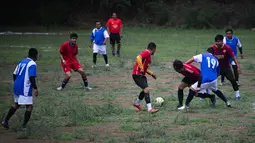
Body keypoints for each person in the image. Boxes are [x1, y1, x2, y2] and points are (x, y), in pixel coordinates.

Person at [1, 48, 39, 130]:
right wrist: (35, 88)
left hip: (17, 86)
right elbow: (32, 77)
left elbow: (14, 74)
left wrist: (17, 82)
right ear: (35, 55)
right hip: (24, 88)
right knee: (29, 106)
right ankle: (23, 126)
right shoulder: (32, 64)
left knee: (17, 104)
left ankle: (5, 121)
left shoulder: (22, 61)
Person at [211, 34, 241, 100]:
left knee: (232, 80)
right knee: (209, 80)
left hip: (226, 67)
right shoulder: (212, 48)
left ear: (222, 41)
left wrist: (238, 66)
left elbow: (234, 57)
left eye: (219, 41)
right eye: (216, 41)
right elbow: (208, 57)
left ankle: (237, 94)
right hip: (216, 68)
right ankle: (204, 94)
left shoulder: (227, 48)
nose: (217, 43)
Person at [132, 42, 158, 113]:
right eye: (155, 50)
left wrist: (151, 74)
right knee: (146, 89)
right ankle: (150, 109)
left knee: (145, 90)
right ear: (153, 49)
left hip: (142, 76)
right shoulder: (147, 52)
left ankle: (137, 103)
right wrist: (141, 68)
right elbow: (138, 57)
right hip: (137, 75)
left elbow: (145, 68)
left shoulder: (148, 55)